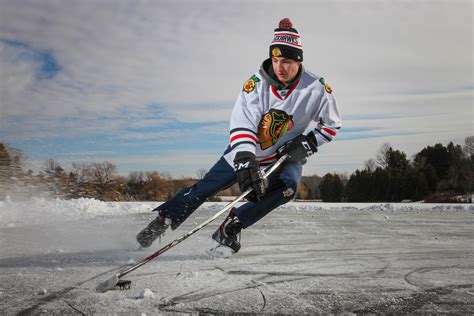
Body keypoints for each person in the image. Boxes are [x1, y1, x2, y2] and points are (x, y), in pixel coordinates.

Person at [136, 18, 342, 253]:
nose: (279, 68)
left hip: (284, 157)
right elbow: (242, 123)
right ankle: (163, 220)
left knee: (287, 189)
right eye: (275, 61)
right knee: (205, 188)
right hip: (245, 150)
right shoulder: (256, 84)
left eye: (285, 61)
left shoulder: (316, 87)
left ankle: (232, 226)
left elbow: (332, 124)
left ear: (298, 61)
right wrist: (245, 157)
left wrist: (309, 142)